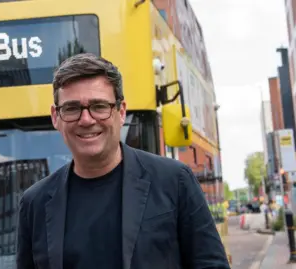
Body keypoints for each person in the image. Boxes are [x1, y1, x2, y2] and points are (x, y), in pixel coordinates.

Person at [16, 53, 230, 269]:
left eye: (99, 106)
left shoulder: (174, 181)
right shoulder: (35, 203)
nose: (87, 120)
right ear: (55, 117)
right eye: (72, 108)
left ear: (121, 112)